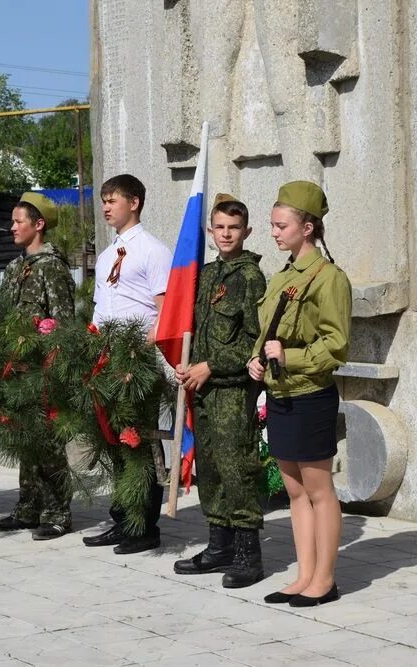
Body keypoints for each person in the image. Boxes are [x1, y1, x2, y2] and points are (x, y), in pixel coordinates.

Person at [248, 181, 351, 607]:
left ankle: (324, 579)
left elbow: (337, 345)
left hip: (310, 395)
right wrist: (257, 358)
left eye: (280, 225)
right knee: (293, 491)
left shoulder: (329, 279)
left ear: (307, 227)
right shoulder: (284, 276)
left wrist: (288, 357)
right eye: (273, 224)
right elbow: (268, 330)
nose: (273, 232)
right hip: (281, 395)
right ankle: (304, 573)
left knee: (319, 489)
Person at [173, 194, 267, 587]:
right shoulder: (208, 275)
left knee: (236, 467)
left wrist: (211, 365)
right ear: (210, 232)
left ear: (247, 232)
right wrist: (187, 361)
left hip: (230, 389)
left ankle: (249, 554)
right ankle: (219, 544)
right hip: (203, 388)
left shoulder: (250, 278)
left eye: (234, 228)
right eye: (220, 228)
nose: (226, 234)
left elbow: (254, 342)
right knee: (209, 466)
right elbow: (195, 326)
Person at [82, 174, 173, 555]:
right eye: (103, 200)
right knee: (115, 443)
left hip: (137, 358)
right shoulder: (107, 256)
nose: (105, 206)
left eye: (113, 199)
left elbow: (164, 310)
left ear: (134, 202)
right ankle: (122, 519)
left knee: (140, 442)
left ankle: (144, 526)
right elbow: (101, 310)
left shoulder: (152, 250)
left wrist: (139, 345)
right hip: (107, 357)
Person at [0, 192, 77, 541]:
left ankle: (57, 512)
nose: (11, 227)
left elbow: (64, 322)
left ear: (38, 225)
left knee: (49, 443)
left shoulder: (51, 268)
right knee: (25, 439)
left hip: (44, 369)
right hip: (16, 366)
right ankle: (28, 507)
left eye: (18, 221)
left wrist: (55, 366)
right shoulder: (15, 267)